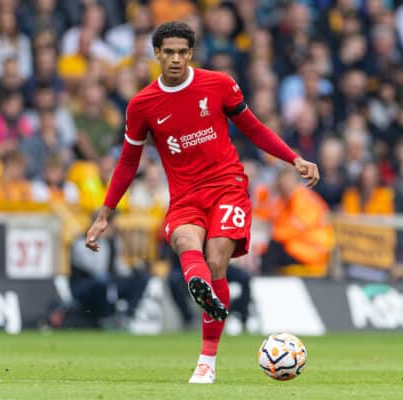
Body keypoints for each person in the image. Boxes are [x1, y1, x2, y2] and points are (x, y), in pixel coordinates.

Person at [84, 22, 319, 384]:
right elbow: (128, 162)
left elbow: (253, 128)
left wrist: (293, 158)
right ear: (157, 54)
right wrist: (105, 214)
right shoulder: (142, 105)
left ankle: (206, 359)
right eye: (168, 52)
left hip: (227, 186)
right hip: (184, 195)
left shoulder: (219, 84)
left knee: (215, 258)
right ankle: (202, 288)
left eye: (182, 52)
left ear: (190, 53)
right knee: (183, 242)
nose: (175, 59)